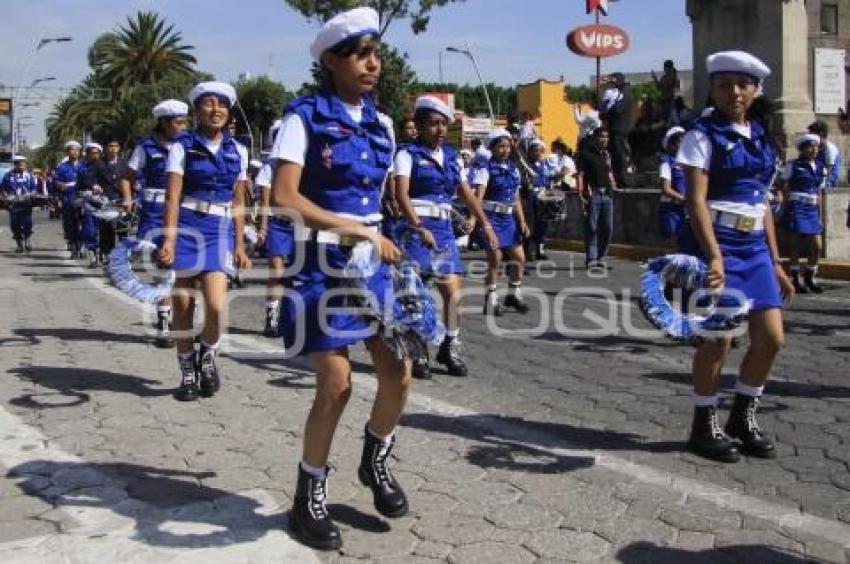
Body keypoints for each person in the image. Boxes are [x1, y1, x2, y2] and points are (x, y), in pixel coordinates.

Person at [269, 7, 411, 550]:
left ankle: (375, 460)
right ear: (331, 61)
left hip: (371, 266)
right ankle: (309, 495)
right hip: (320, 267)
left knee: (400, 371)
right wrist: (358, 231)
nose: (374, 64)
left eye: (377, 54)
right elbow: (284, 198)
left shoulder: (382, 122)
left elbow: (380, 199)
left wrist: (388, 242)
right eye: (362, 54)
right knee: (336, 383)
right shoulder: (302, 118)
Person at [677, 50, 793, 463]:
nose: (734, 92)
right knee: (719, 339)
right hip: (718, 243)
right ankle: (703, 424)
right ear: (713, 88)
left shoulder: (761, 136)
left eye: (742, 85)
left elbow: (763, 205)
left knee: (771, 339)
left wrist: (777, 262)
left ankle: (742, 416)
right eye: (724, 85)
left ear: (756, 90)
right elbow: (695, 202)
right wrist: (713, 256)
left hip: (756, 248)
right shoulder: (701, 135)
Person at [159, 81, 252, 402]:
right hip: (187, 225)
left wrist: (240, 245)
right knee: (183, 307)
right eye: (209, 104)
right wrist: (168, 240)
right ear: (197, 111)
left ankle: (208, 353)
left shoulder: (238, 149)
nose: (216, 110)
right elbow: (172, 197)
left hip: (220, 230)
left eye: (222, 105)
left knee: (215, 305)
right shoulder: (181, 147)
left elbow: (239, 202)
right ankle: (187, 371)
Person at [394, 95, 498, 379]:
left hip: (443, 231)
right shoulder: (407, 154)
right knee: (417, 295)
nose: (440, 130)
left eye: (443, 124)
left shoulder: (451, 156)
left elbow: (466, 193)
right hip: (416, 231)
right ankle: (417, 348)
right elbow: (401, 194)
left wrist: (485, 224)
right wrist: (417, 225)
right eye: (434, 124)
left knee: (453, 294)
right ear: (420, 125)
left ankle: (450, 345)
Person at [120, 99, 190, 348]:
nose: (182, 126)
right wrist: (128, 199)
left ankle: (170, 320)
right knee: (162, 267)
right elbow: (127, 178)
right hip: (153, 212)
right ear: (163, 122)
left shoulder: (189, 144)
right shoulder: (146, 147)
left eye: (184, 121)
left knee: (176, 269)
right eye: (177, 121)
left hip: (182, 211)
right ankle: (163, 322)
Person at [472, 129, 531, 316]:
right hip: (490, 219)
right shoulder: (485, 169)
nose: (505, 150)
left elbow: (515, 198)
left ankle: (513, 294)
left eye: (507, 146)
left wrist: (522, 221)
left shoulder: (514, 169)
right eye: (500, 146)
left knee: (520, 258)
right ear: (492, 148)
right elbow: (477, 198)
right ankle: (491, 298)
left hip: (508, 220)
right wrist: (474, 219)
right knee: (495, 259)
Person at [257, 120, 295, 338]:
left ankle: (292, 318)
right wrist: (263, 229)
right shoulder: (269, 168)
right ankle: (272, 315)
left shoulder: (304, 165)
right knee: (277, 272)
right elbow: (264, 202)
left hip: (299, 224)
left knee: (299, 274)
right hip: (278, 223)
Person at [781, 133, 826, 294]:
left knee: (817, 246)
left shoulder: (820, 166)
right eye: (810, 146)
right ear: (802, 148)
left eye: (816, 146)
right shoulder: (794, 165)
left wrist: (820, 214)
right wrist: (785, 204)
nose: (814, 149)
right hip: (797, 206)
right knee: (795, 245)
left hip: (812, 208)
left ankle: (810, 276)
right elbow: (782, 183)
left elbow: (819, 190)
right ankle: (795, 278)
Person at [576, 126, 617, 272]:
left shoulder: (607, 155)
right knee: (592, 227)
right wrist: (580, 195)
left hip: (607, 194)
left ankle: (602, 257)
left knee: (608, 227)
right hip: (593, 193)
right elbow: (580, 175)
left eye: (606, 137)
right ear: (595, 138)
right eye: (601, 136)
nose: (604, 139)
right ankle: (591, 258)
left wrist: (612, 183)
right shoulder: (586, 155)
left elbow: (609, 171)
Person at [76, 142, 113, 268]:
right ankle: (93, 255)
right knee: (89, 229)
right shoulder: (82, 169)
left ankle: (104, 253)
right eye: (91, 153)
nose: (94, 155)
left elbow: (111, 184)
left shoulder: (105, 167)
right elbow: (79, 186)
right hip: (89, 203)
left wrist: (104, 192)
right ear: (87, 154)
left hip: (104, 203)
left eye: (97, 153)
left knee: (105, 230)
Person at [599, 72, 635, 187]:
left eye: (613, 81)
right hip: (615, 129)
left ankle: (624, 180)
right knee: (615, 155)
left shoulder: (626, 93)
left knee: (620, 155)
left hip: (620, 129)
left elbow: (618, 110)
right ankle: (619, 179)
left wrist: (607, 113)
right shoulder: (619, 93)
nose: (612, 84)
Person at [526, 138, 556, 260]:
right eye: (535, 151)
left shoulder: (544, 165)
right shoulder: (526, 165)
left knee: (542, 226)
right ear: (530, 152)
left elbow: (547, 179)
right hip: (531, 199)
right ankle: (529, 251)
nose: (538, 154)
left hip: (542, 199)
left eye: (539, 151)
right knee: (531, 226)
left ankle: (540, 250)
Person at [1, 155, 38, 252]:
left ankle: (27, 240)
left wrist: (32, 194)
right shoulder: (8, 176)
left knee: (27, 223)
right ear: (15, 165)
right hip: (14, 204)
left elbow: (34, 189)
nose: (22, 165)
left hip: (26, 203)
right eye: (19, 164)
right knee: (14, 224)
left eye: (23, 163)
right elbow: (3, 188)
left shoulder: (29, 176)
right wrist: (6, 196)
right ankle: (19, 244)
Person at [657, 126, 687, 243]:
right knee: (673, 241)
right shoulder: (666, 163)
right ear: (672, 145)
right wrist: (684, 199)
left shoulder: (686, 164)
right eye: (681, 141)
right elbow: (666, 189)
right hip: (671, 208)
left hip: (684, 207)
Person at [54, 140, 83, 256]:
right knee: (70, 223)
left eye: (77, 150)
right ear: (67, 152)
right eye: (72, 149)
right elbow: (55, 181)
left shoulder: (84, 165)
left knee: (84, 222)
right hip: (68, 199)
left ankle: (82, 244)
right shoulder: (62, 167)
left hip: (83, 198)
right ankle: (73, 243)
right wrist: (59, 185)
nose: (75, 152)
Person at [807, 120, 841, 190]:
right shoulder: (815, 147)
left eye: (812, 134)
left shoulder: (829, 148)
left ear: (821, 134)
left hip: (829, 180)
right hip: (817, 176)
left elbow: (828, 170)